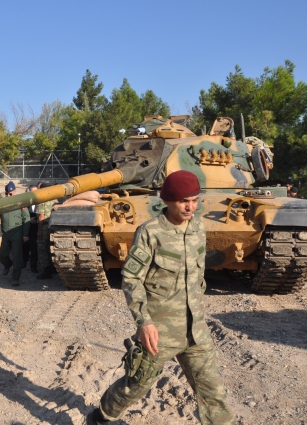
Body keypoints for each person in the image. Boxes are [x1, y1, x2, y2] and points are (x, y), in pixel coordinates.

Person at [85, 170, 235, 425]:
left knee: (213, 392)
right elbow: (132, 279)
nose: (190, 207)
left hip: (196, 330)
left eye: (194, 200)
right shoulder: (150, 232)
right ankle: (100, 417)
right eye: (183, 201)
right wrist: (144, 322)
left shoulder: (198, 227)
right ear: (167, 200)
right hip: (159, 332)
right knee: (136, 385)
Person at [0, 182, 30, 286]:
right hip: (5, 233)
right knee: (1, 254)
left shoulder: (21, 203)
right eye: (7, 193)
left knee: (17, 257)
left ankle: (15, 277)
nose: (8, 196)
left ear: (15, 192)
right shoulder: (2, 204)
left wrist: (25, 234)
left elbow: (26, 219)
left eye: (10, 194)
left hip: (17, 233)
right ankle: (8, 264)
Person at [36, 183, 58, 280]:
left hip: (44, 227)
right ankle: (53, 267)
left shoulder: (42, 201)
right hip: (53, 227)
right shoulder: (55, 200)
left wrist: (39, 230)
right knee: (51, 248)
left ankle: (46, 270)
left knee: (42, 249)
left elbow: (41, 216)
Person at [24, 185, 39, 273]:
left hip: (38, 227)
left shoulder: (41, 201)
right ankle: (27, 263)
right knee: (28, 247)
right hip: (28, 227)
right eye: (32, 191)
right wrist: (29, 219)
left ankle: (35, 265)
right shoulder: (26, 202)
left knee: (36, 248)